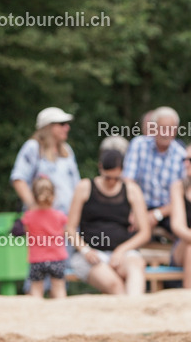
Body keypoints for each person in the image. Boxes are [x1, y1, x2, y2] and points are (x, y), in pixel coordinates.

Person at [66, 149, 151, 295]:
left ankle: (135, 310)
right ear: (100, 168)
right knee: (114, 285)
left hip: (123, 251)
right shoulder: (84, 187)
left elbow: (145, 233)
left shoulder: (132, 190)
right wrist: (85, 250)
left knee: (136, 271)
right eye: (107, 177)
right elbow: (70, 229)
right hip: (91, 253)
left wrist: (121, 250)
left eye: (115, 178)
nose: (111, 182)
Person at [122, 107, 185, 237]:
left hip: (168, 212)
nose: (165, 133)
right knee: (122, 225)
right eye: (162, 128)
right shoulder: (138, 145)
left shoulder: (181, 155)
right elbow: (128, 181)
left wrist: (157, 214)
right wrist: (136, 210)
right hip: (138, 206)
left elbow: (182, 197)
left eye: (170, 128)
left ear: (176, 130)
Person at [10, 107, 80, 216]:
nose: (67, 127)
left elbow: (77, 185)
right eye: (62, 124)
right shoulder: (33, 147)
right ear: (48, 126)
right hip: (43, 223)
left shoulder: (67, 150)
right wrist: (33, 206)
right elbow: (19, 179)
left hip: (67, 222)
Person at [16, 178, 68, 299]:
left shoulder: (28, 216)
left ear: (33, 196)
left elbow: (27, 233)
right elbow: (64, 232)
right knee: (59, 288)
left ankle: (36, 315)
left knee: (36, 290)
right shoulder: (60, 216)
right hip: (57, 258)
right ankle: (64, 313)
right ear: (53, 195)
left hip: (37, 259)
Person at [162, 143, 191, 287]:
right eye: (184, 159)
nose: (186, 163)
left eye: (190, 160)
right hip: (183, 246)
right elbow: (178, 226)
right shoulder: (178, 187)